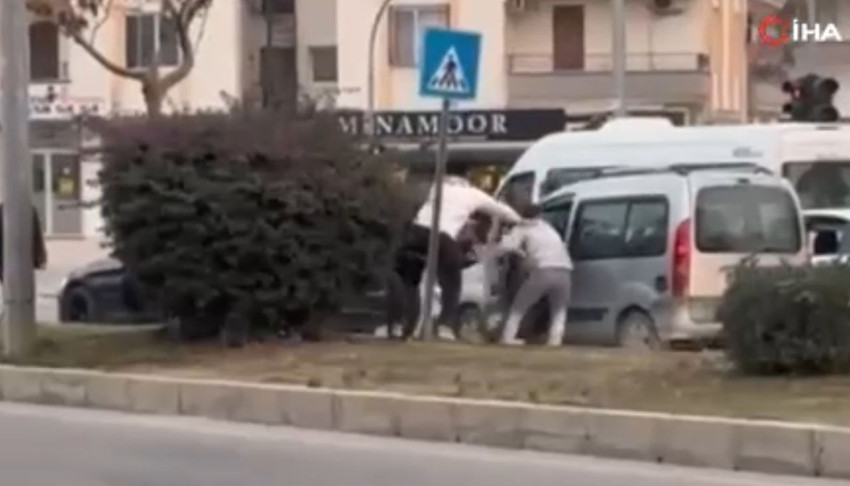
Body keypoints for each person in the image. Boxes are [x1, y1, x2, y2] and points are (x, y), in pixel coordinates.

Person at [394, 171, 521, 338]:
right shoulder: (473, 194)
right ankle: (444, 325)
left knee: (409, 282)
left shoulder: (437, 188)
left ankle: (402, 325)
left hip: (415, 233)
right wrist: (522, 221)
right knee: (451, 282)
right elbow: (503, 211)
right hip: (442, 236)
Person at [496, 203, 572, 347]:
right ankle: (555, 341)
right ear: (539, 215)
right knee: (559, 309)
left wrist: (505, 249)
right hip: (565, 269)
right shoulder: (549, 228)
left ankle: (507, 337)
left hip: (543, 269)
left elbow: (507, 247)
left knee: (519, 306)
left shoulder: (522, 228)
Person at [0, 204, 48, 281]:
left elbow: (37, 233)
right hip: (11, 256)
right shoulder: (29, 209)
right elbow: (37, 234)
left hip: (20, 255)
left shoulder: (29, 209)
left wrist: (40, 256)